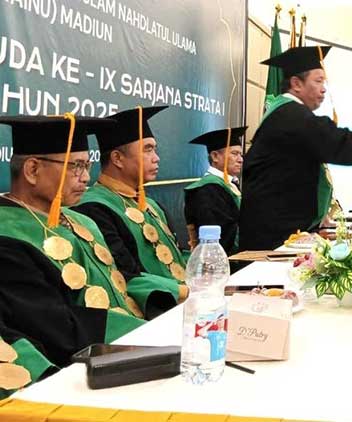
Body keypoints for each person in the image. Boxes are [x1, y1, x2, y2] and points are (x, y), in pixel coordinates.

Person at [0, 115, 147, 397]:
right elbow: (52, 326)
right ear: (32, 169)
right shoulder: (7, 236)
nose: (86, 177)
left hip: (125, 351)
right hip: (80, 371)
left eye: (87, 165)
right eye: (75, 166)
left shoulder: (81, 220)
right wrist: (147, 335)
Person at [239, 46, 352, 250]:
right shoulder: (291, 115)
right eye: (318, 81)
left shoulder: (285, 113)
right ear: (296, 83)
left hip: (274, 223)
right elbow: (332, 140)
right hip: (272, 232)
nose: (324, 89)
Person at [74, 107, 189, 299]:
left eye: (154, 149)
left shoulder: (152, 205)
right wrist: (188, 292)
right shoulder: (92, 208)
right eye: (148, 149)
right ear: (117, 158)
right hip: (153, 307)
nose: (156, 158)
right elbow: (124, 276)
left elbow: (178, 254)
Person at [184, 127, 246, 254]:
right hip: (220, 260)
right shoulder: (207, 190)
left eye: (240, 154)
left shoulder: (229, 185)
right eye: (234, 154)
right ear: (215, 156)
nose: (241, 159)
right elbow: (224, 237)